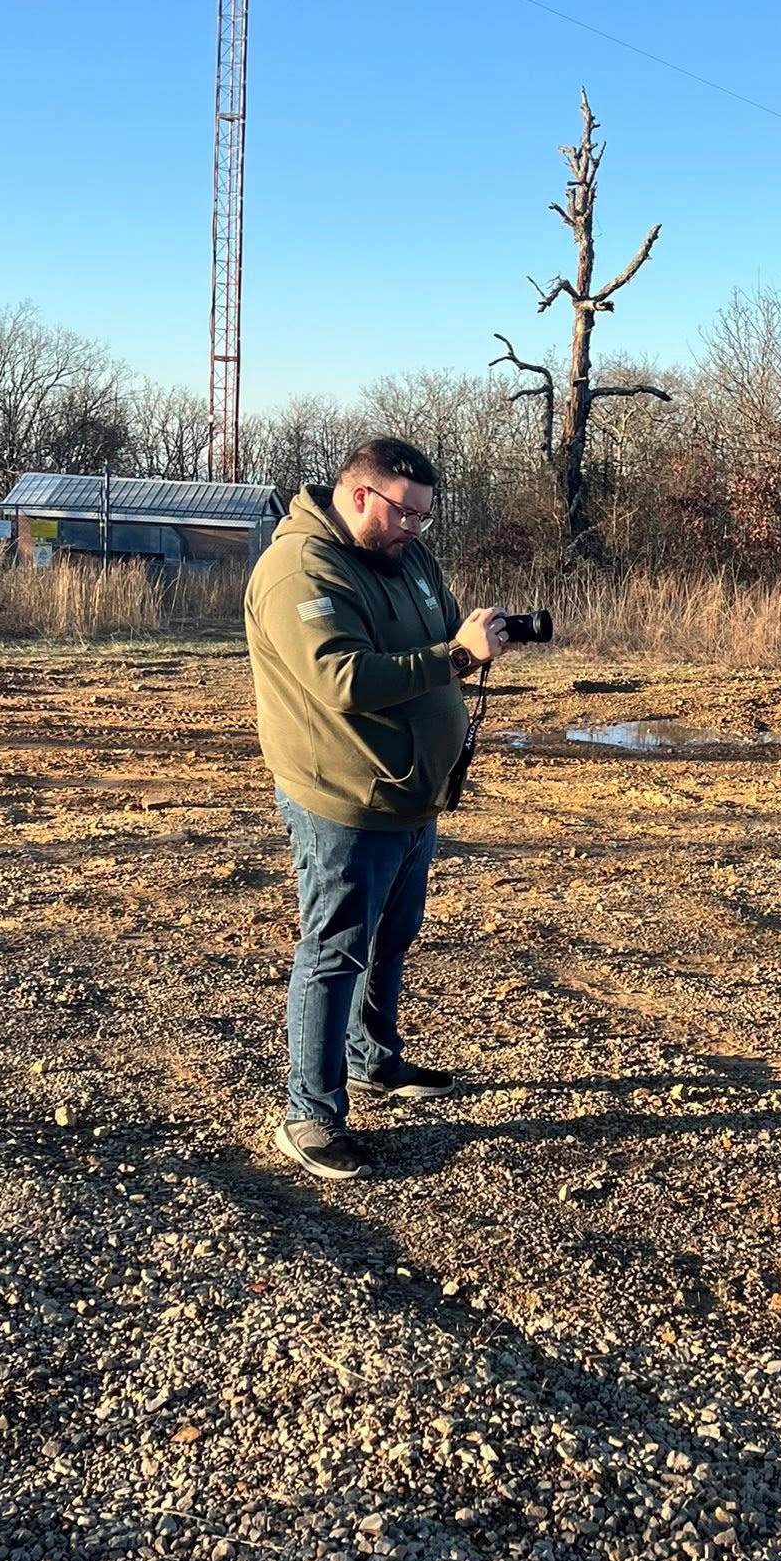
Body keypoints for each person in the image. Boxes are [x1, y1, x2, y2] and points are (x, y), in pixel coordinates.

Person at [244, 437, 511, 1182]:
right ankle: (310, 1114)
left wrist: (474, 639)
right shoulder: (300, 569)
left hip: (411, 793)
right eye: (405, 514)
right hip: (343, 800)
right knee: (335, 950)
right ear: (360, 495)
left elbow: (443, 632)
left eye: (424, 516)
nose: (415, 529)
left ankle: (372, 1059)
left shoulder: (409, 558)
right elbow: (344, 680)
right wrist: (458, 658)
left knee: (393, 934)